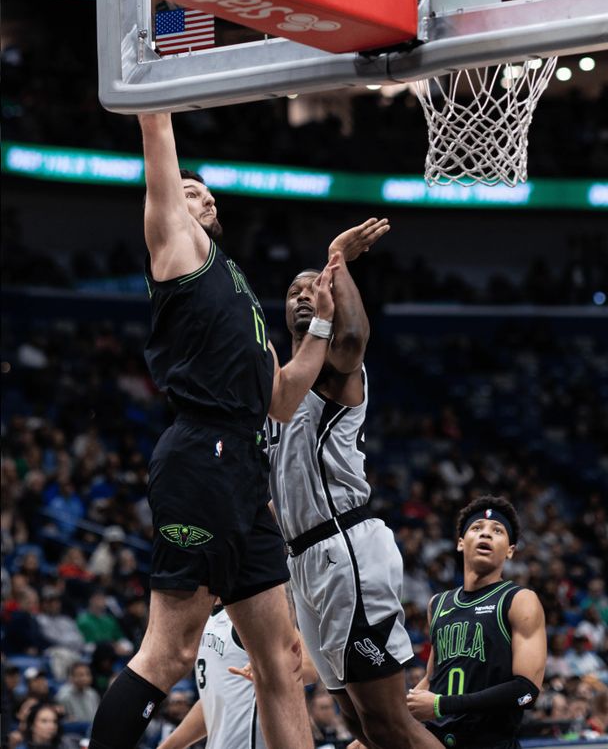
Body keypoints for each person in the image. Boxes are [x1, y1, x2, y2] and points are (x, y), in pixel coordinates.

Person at [88, 111, 339, 749]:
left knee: (281, 658)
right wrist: (158, 84)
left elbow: (281, 400)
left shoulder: (236, 285)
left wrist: (320, 326)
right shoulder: (177, 248)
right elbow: (157, 135)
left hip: (245, 467)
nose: (203, 196)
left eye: (206, 192)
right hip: (203, 453)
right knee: (170, 652)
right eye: (189, 189)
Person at [266, 222, 445, 749]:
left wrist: (337, 261)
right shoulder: (280, 384)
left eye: (313, 288)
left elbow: (353, 339)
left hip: (344, 547)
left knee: (389, 722)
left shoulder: (333, 369)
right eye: (294, 291)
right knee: (357, 724)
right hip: (303, 561)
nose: (303, 295)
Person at [405, 495, 547, 749]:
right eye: (477, 527)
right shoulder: (438, 604)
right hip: (437, 741)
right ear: (461, 543)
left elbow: (526, 692)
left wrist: (441, 705)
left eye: (497, 530)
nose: (486, 533)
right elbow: (432, 678)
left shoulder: (519, 600)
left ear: (510, 550)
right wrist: (379, 730)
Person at [155, 598, 318, 749]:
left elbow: (309, 670)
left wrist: (269, 671)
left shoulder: (257, 610)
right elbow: (215, 701)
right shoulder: (206, 620)